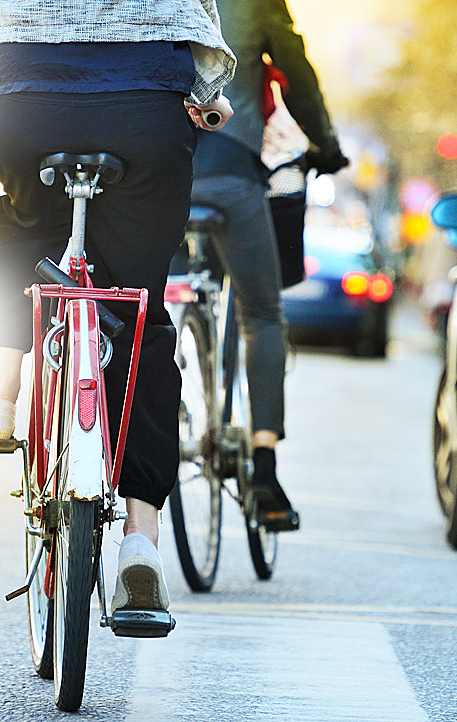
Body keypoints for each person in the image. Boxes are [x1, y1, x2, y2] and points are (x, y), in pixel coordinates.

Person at [0, 1, 236, 615]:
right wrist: (208, 88)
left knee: (21, 227)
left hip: (17, 95)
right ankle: (141, 541)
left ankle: (0, 389)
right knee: (140, 308)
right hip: (145, 101)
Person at [190, 0, 348, 530]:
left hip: (157, 172)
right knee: (260, 315)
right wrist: (325, 147)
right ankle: (265, 470)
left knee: (148, 304)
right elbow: (295, 72)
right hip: (233, 174)